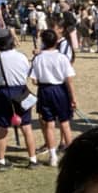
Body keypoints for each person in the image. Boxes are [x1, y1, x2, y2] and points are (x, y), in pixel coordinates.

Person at [0, 28, 37, 170]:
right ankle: (32, 159)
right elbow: (27, 73)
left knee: (3, 128)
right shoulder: (21, 57)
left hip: (3, 92)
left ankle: (1, 161)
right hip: (21, 91)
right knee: (26, 127)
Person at [30, 30, 77, 168]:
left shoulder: (38, 58)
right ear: (56, 41)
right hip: (60, 90)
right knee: (64, 123)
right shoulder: (62, 58)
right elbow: (69, 80)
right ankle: (70, 155)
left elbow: (33, 80)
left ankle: (53, 156)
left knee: (48, 124)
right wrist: (73, 98)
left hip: (44, 90)